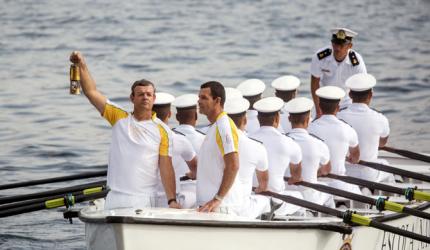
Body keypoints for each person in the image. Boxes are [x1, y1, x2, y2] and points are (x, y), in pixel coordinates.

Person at [69, 51, 180, 209]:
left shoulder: (163, 131)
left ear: (154, 99)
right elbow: (91, 92)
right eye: (140, 94)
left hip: (144, 199)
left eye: (149, 94)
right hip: (115, 197)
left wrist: (172, 200)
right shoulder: (118, 117)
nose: (145, 97)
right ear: (132, 98)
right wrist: (82, 64)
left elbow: (166, 167)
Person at [250, 97, 304, 216]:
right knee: (300, 198)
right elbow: (296, 177)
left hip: (252, 197)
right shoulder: (289, 143)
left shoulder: (248, 139)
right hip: (275, 199)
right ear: (277, 118)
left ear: (258, 118)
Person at [337, 73, 394, 183]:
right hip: (369, 174)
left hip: (345, 172)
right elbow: (382, 144)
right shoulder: (380, 118)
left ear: (350, 95)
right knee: (386, 166)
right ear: (370, 95)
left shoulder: (339, 117)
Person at [196, 81, 244, 214]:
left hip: (222, 207)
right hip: (211, 207)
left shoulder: (224, 126)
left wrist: (218, 198)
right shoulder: (216, 126)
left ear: (217, 100)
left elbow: (233, 165)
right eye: (199, 97)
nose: (199, 101)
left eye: (204, 98)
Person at [308, 86, 362, 195]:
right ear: (338, 108)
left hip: (317, 183)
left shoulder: (309, 128)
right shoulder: (347, 129)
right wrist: (349, 158)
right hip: (340, 183)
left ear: (319, 107)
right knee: (359, 192)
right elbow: (356, 158)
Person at [224, 97, 271, 218]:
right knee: (266, 201)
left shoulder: (210, 142)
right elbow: (263, 185)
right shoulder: (257, 147)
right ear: (245, 120)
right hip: (241, 208)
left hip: (218, 203)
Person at [285, 97, 335, 208]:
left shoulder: (281, 142)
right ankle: (332, 219)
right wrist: (314, 173)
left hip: (286, 195)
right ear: (308, 120)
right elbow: (326, 170)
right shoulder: (319, 144)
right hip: (310, 197)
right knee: (329, 191)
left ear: (289, 119)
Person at [152, 92, 198, 208]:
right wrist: (192, 174)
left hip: (146, 198)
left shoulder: (139, 139)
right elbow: (196, 168)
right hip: (170, 200)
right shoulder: (180, 140)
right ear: (170, 114)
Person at [310, 28, 367, 117]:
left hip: (346, 103)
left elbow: (363, 88)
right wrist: (318, 108)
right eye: (335, 43)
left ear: (350, 46)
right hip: (324, 101)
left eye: (341, 45)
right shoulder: (320, 56)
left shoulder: (356, 62)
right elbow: (314, 82)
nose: (337, 48)